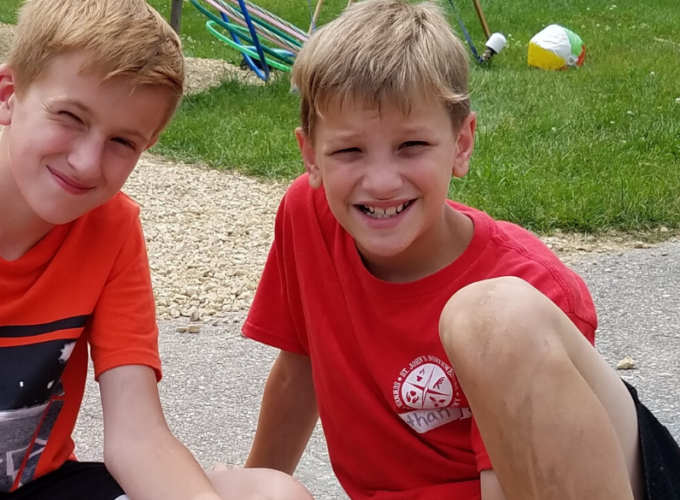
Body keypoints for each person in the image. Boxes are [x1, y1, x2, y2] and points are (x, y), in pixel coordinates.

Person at [242, 1, 680, 499]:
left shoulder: (528, 285)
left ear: (462, 143)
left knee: (493, 316)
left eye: (411, 146)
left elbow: (523, 482)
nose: (382, 181)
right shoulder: (309, 214)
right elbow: (300, 370)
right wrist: (257, 483)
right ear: (310, 155)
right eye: (348, 151)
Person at [0, 1, 313, 499]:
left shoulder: (111, 229)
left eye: (122, 141)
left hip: (42, 484)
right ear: (9, 94)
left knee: (271, 495)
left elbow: (136, 434)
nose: (86, 163)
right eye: (70, 116)